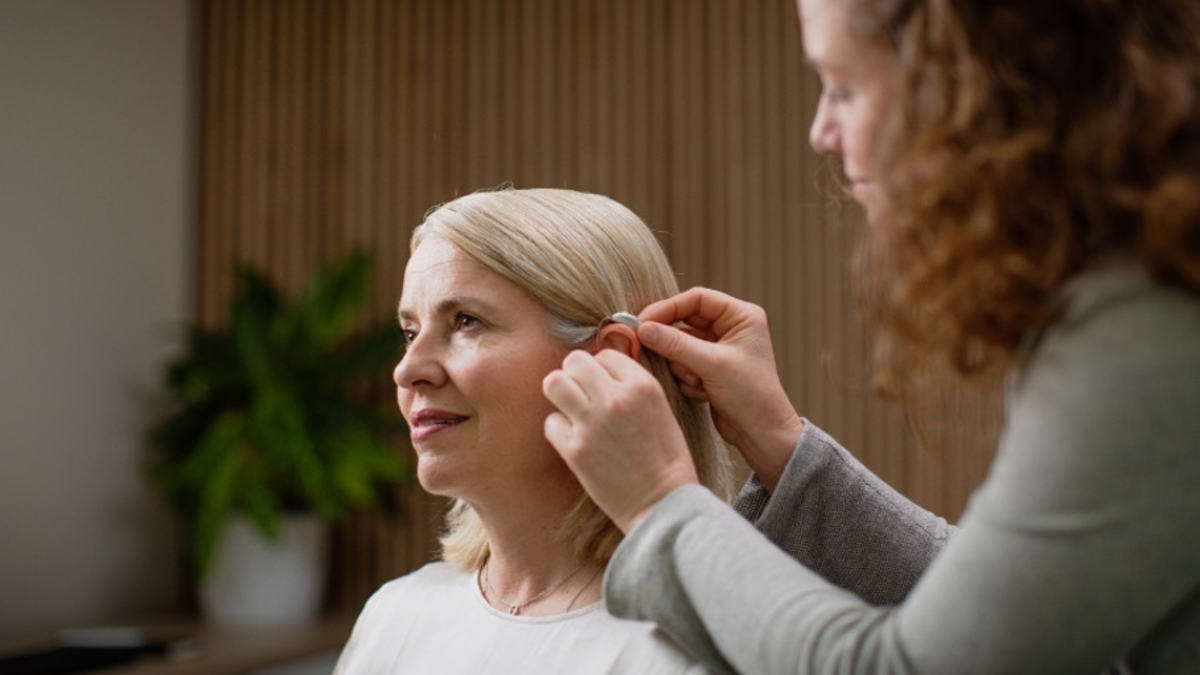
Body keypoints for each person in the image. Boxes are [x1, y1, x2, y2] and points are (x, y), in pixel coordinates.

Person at [541, 0, 1200, 673]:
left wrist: (661, 504)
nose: (820, 132)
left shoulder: (1144, 338)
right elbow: (1016, 618)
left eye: (842, 88)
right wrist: (780, 443)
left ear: (971, 88)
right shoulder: (1146, 291)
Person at [332, 188, 731, 674]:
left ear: (609, 360)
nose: (407, 370)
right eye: (410, 333)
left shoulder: (685, 653)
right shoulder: (392, 617)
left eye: (466, 322)